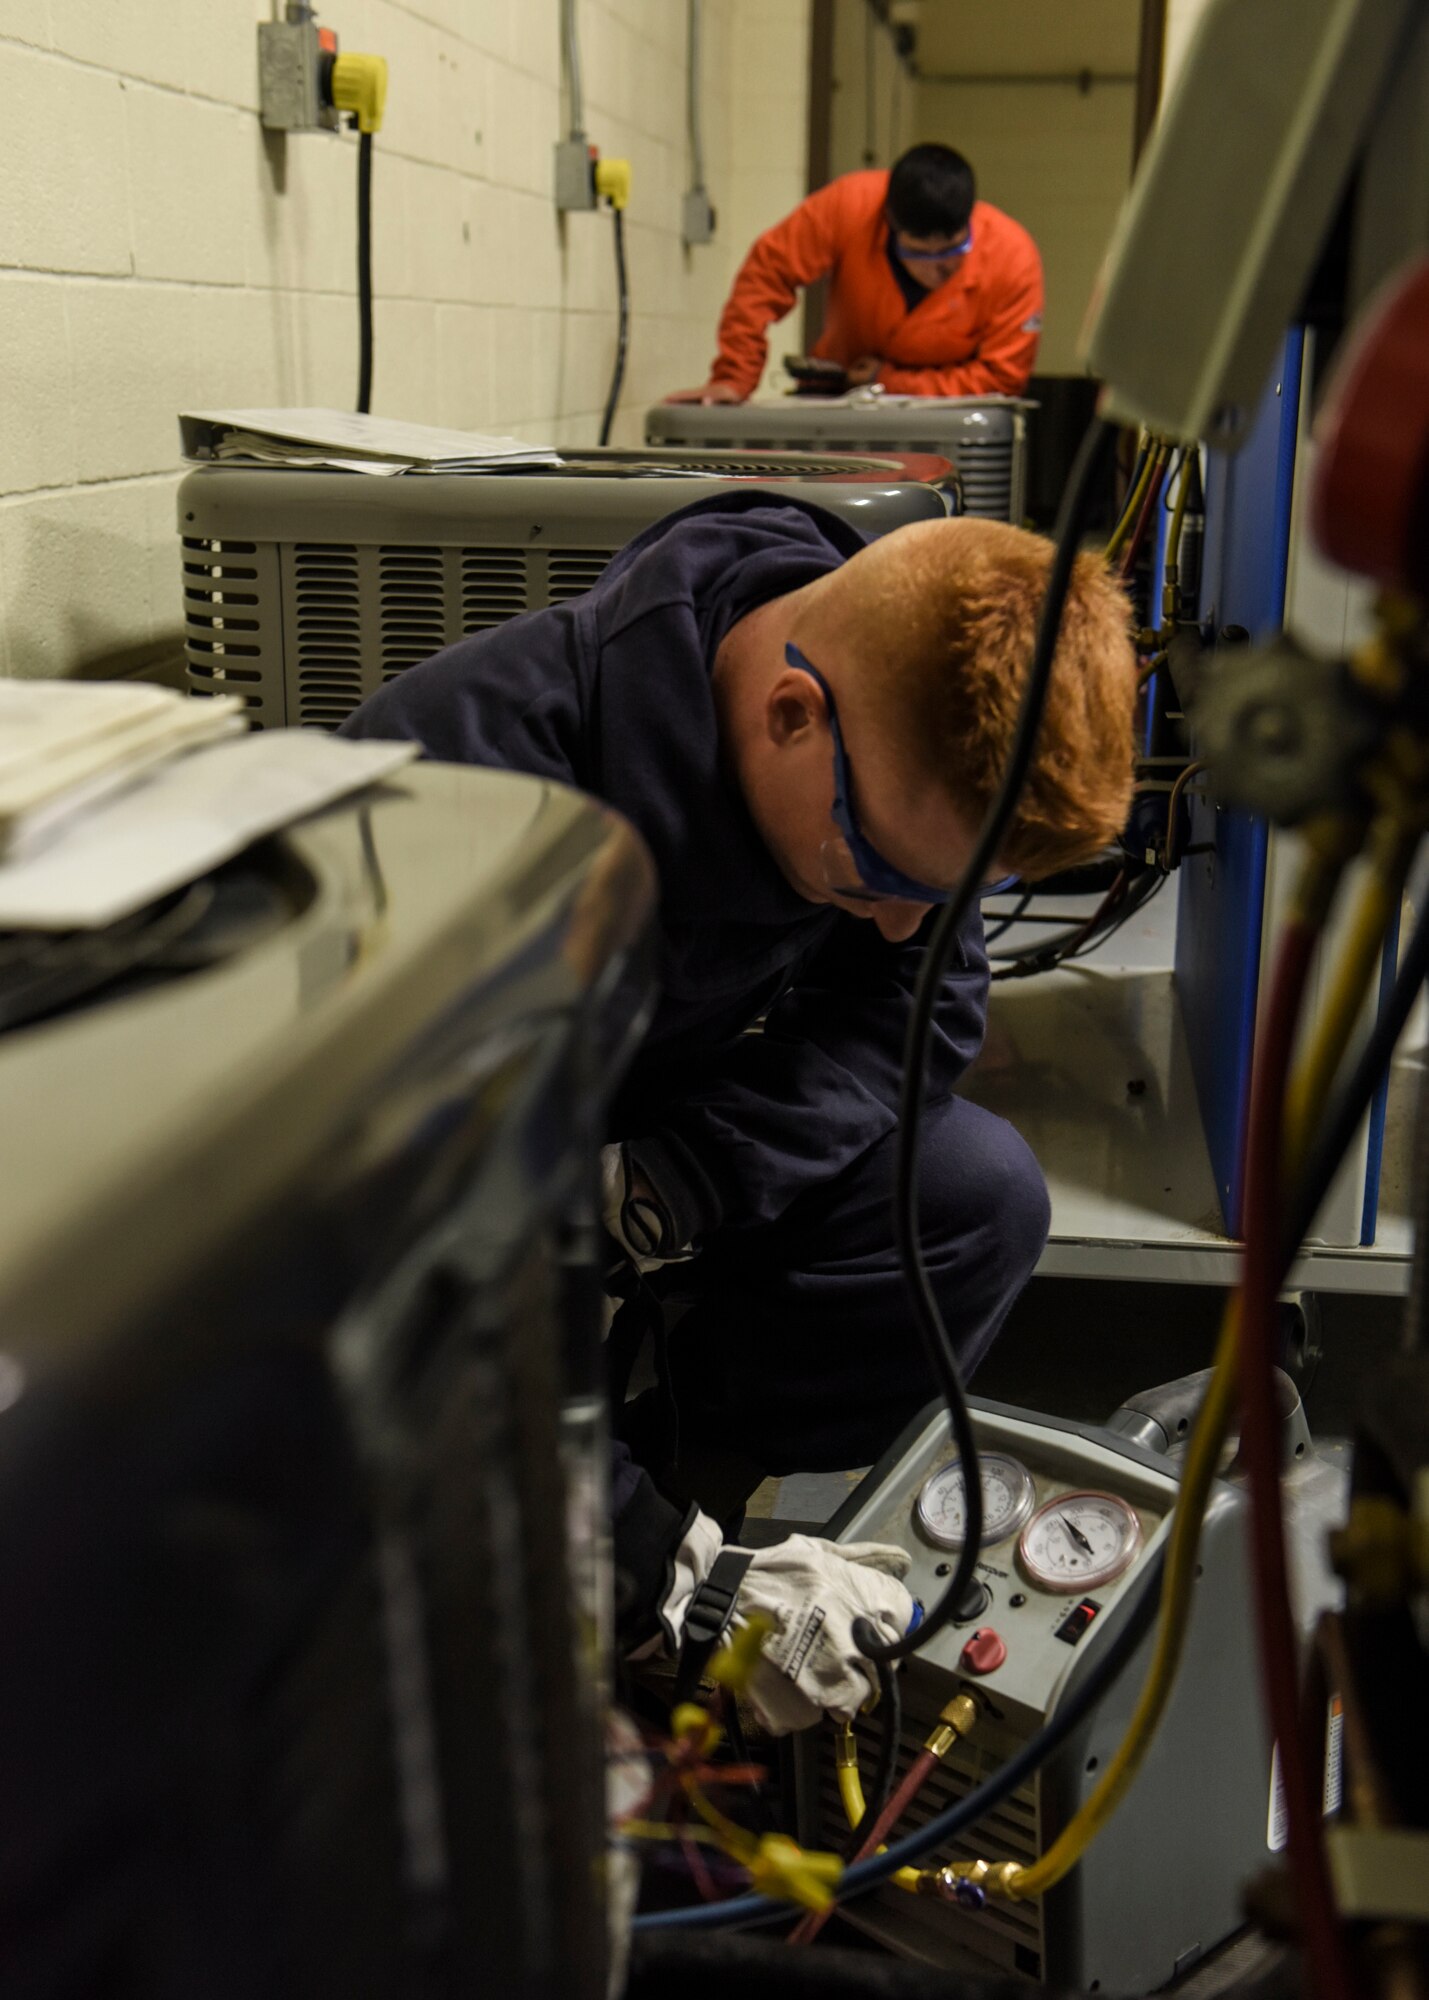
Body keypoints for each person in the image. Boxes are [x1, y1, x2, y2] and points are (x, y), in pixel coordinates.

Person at [341, 491, 1134, 1730]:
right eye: (876, 877)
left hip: (628, 1163)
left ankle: (695, 1488)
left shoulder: (898, 751)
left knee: (970, 1199)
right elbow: (403, 1280)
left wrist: (678, 1179)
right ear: (788, 712)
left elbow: (910, 1021)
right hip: (417, 1219)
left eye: (944, 896)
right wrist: (680, 1586)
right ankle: (634, 1581)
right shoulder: (464, 791)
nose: (902, 926)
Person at [667, 143, 1042, 407]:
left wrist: (891, 382)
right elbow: (767, 273)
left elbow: (1001, 380)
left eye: (952, 253)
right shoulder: (851, 206)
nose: (937, 269)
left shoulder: (1013, 258)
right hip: (838, 398)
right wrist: (734, 376)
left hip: (954, 416)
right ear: (890, 225)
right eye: (918, 254)